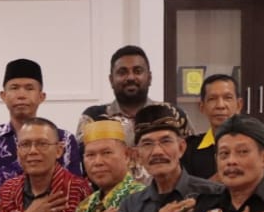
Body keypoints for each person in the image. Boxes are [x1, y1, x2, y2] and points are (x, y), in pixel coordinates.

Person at [77, 45, 190, 180]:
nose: (130, 77)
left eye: (137, 71)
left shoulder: (172, 114)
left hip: (166, 192)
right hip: (111, 193)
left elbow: (190, 162)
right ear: (111, 80)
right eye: (122, 72)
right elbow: (84, 167)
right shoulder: (94, 118)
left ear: (149, 77)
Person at [0, 59, 82, 195]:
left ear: (41, 96)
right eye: (14, 88)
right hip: (2, 209)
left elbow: (75, 187)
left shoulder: (64, 139)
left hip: (56, 206)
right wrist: (24, 162)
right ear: (3, 96)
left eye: (29, 88)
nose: (21, 95)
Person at [181, 74, 264, 191]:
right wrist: (213, 183)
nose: (220, 105)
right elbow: (181, 195)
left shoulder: (261, 146)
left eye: (227, 98)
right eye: (212, 99)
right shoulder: (187, 149)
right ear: (202, 107)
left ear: (239, 104)